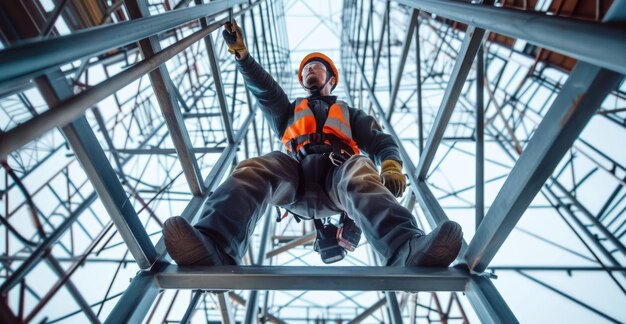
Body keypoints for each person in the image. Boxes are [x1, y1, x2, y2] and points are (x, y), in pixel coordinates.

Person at [162, 20, 463, 267]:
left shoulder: (348, 113)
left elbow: (380, 141)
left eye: (316, 66)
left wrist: (392, 166)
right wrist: (243, 57)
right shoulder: (289, 110)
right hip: (294, 179)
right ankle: (215, 245)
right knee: (258, 166)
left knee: (359, 167)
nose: (308, 70)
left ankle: (405, 250)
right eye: (305, 68)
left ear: (331, 78)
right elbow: (266, 91)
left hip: (337, 180)